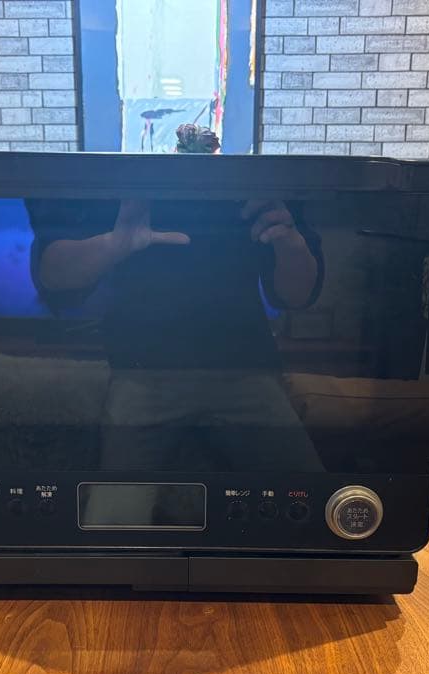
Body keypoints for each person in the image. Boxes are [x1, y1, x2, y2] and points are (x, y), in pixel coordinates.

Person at [26, 127, 326, 523]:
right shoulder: (121, 185)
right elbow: (53, 275)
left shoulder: (256, 189)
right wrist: (115, 245)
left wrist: (289, 241)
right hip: (147, 374)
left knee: (317, 513)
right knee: (113, 520)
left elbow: (298, 294)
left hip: (240, 370)